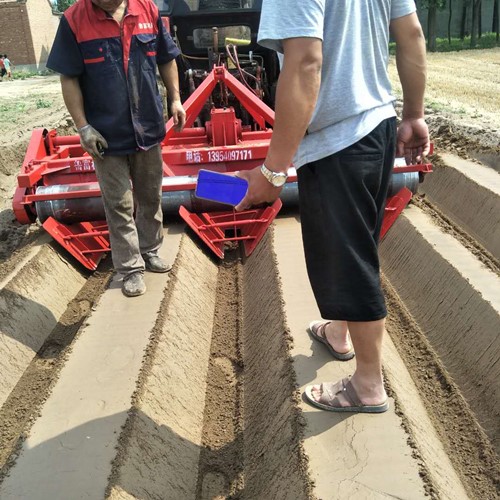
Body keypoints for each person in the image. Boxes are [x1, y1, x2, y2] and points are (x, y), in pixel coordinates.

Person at [236, 0, 430, 412]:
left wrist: (273, 172)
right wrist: (413, 114)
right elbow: (412, 33)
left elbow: (305, 63)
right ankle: (339, 331)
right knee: (358, 242)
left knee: (348, 260)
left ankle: (367, 385)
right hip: (377, 126)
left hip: (337, 141)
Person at [46, 0, 186, 297]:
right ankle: (131, 268)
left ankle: (150, 250)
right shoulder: (74, 20)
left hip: (147, 126)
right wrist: (83, 127)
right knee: (119, 204)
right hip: (105, 135)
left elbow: (166, 58)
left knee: (151, 195)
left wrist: (175, 99)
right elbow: (69, 77)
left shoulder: (147, 9)